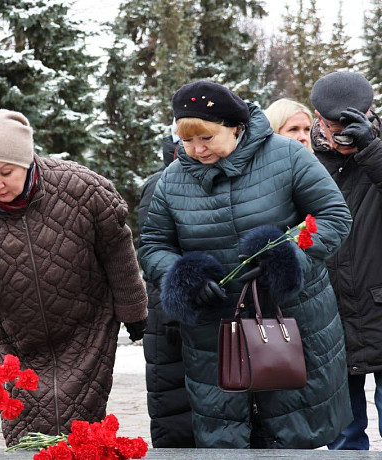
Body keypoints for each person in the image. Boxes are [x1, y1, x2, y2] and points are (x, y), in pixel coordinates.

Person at [0, 109, 148, 446]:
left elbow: (117, 251)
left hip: (86, 332)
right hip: (16, 341)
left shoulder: (81, 189)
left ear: (27, 161)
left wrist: (133, 310)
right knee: (26, 436)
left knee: (81, 434)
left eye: (6, 172)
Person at [138, 81, 352, 448]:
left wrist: (287, 258)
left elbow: (334, 216)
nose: (196, 149)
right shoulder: (172, 181)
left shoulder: (287, 156)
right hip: (213, 335)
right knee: (228, 440)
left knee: (293, 437)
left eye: (206, 137)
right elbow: (154, 244)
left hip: (292, 321)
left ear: (235, 126)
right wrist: (183, 277)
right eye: (187, 140)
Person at [308, 72, 382, 451]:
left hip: (379, 308)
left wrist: (372, 151)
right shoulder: (304, 162)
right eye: (334, 126)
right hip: (329, 315)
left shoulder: (378, 153)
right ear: (318, 118)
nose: (342, 134)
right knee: (343, 440)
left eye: (351, 123)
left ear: (368, 113)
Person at [137, 132, 195, 448]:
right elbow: (151, 249)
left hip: (197, 305)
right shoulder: (158, 185)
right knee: (173, 409)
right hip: (169, 314)